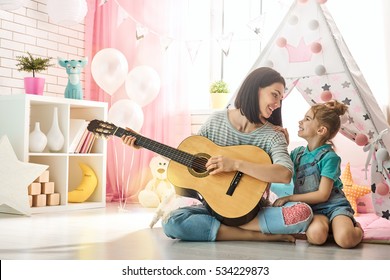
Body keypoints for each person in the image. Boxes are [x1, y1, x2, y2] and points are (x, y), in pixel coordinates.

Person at [122, 67, 313, 242]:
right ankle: (257, 235)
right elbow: (188, 158)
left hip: (252, 210)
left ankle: (230, 228)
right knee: (172, 222)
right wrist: (143, 143)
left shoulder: (273, 135)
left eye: (281, 99)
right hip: (213, 206)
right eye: (275, 95)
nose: (278, 104)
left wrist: (235, 164)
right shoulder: (216, 121)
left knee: (303, 213)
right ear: (256, 89)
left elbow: (284, 173)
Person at [273, 100, 363, 249]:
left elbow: (322, 195)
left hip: (334, 206)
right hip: (313, 209)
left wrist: (289, 198)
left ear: (321, 130)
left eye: (307, 119)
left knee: (345, 240)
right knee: (316, 236)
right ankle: (331, 228)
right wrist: (283, 144)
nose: (300, 121)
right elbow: (281, 167)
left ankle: (357, 229)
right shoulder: (297, 154)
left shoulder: (330, 157)